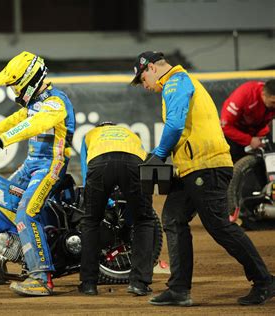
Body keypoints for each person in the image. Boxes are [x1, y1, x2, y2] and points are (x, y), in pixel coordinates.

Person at [131, 51, 275, 306]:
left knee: (220, 226)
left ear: (151, 67)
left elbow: (175, 125)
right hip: (196, 166)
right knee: (173, 218)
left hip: (206, 166)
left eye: (142, 78)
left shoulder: (175, 81)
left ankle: (265, 281)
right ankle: (178, 290)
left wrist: (159, 154)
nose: (144, 85)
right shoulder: (180, 81)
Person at [0, 51, 75, 296]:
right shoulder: (36, 103)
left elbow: (34, 125)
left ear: (29, 80)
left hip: (51, 167)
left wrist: (1, 141)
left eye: (15, 85)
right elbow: (17, 120)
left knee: (26, 212)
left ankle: (41, 278)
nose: (14, 91)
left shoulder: (56, 102)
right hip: (31, 166)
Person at [78, 122, 156, 296]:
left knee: (91, 221)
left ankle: (89, 283)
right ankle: (139, 283)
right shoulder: (130, 133)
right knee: (144, 220)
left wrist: (90, 197)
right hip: (133, 163)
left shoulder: (90, 135)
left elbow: (85, 170)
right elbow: (144, 159)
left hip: (99, 164)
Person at [220, 79, 275, 163]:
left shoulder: (269, 103)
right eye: (273, 102)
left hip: (259, 130)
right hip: (235, 133)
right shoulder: (244, 95)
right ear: (263, 95)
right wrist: (249, 140)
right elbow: (225, 126)